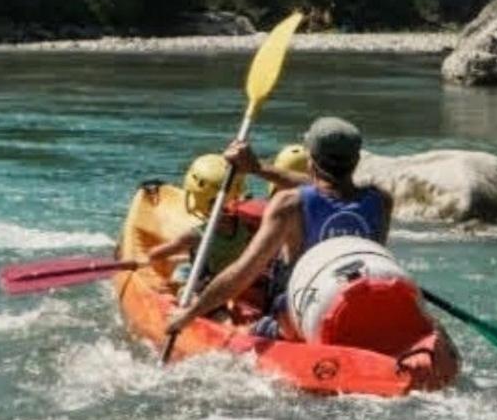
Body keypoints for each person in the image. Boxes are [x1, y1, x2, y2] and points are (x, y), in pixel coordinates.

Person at [166, 116, 393, 337]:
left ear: (310, 161)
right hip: (360, 308)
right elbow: (333, 189)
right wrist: (256, 168)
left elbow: (242, 273)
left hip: (297, 325)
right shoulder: (381, 200)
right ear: (355, 161)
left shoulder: (289, 204)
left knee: (227, 320)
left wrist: (189, 315)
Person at [139, 153, 251, 294]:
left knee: (180, 278)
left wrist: (147, 257)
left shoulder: (195, 235)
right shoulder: (246, 226)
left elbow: (155, 254)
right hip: (231, 277)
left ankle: (178, 292)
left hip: (205, 283)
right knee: (185, 264)